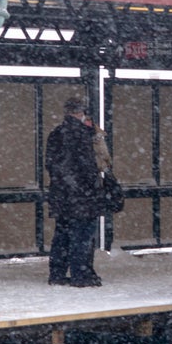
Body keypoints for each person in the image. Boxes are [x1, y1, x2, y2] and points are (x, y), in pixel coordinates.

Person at [45, 97, 103, 287]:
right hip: (81, 197)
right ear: (80, 113)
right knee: (82, 236)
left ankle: (57, 274)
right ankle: (81, 275)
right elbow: (89, 166)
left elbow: (51, 165)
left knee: (62, 234)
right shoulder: (84, 134)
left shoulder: (56, 134)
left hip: (61, 195)